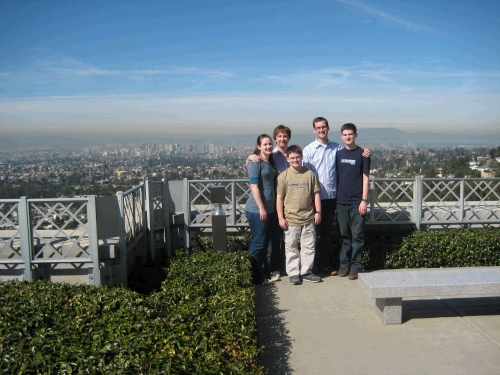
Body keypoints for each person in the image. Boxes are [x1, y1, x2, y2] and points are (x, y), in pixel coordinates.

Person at [302, 117, 370, 276]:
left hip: (333, 198)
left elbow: (353, 153)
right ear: (314, 130)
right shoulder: (309, 150)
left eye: (323, 127)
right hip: (314, 199)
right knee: (311, 234)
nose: (321, 130)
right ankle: (312, 266)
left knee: (327, 234)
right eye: (318, 127)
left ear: (328, 128)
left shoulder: (337, 149)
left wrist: (366, 151)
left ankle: (325, 265)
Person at [276, 145, 322, 285]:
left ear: (302, 157)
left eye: (297, 157)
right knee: (291, 246)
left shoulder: (309, 174)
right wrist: (281, 217)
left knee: (309, 245)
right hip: (291, 218)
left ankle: (306, 271)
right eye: (292, 158)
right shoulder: (283, 176)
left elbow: (316, 194)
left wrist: (318, 211)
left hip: (308, 216)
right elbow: (279, 198)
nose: (295, 160)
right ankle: (293, 273)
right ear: (288, 159)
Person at [336, 123, 371, 280]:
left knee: (357, 235)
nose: (348, 137)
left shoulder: (363, 154)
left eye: (350, 134)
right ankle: (344, 264)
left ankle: (355, 266)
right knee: (344, 235)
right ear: (342, 136)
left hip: (357, 201)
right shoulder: (339, 154)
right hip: (341, 201)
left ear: (355, 135)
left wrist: (364, 200)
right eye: (345, 134)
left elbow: (365, 177)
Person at [245, 134, 281, 285]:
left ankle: (262, 273)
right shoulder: (256, 162)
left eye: (270, 144)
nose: (268, 147)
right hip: (257, 210)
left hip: (269, 210)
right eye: (265, 144)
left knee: (264, 243)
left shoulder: (268, 161)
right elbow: (254, 186)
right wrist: (261, 208)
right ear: (259, 146)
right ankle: (253, 275)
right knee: (258, 243)